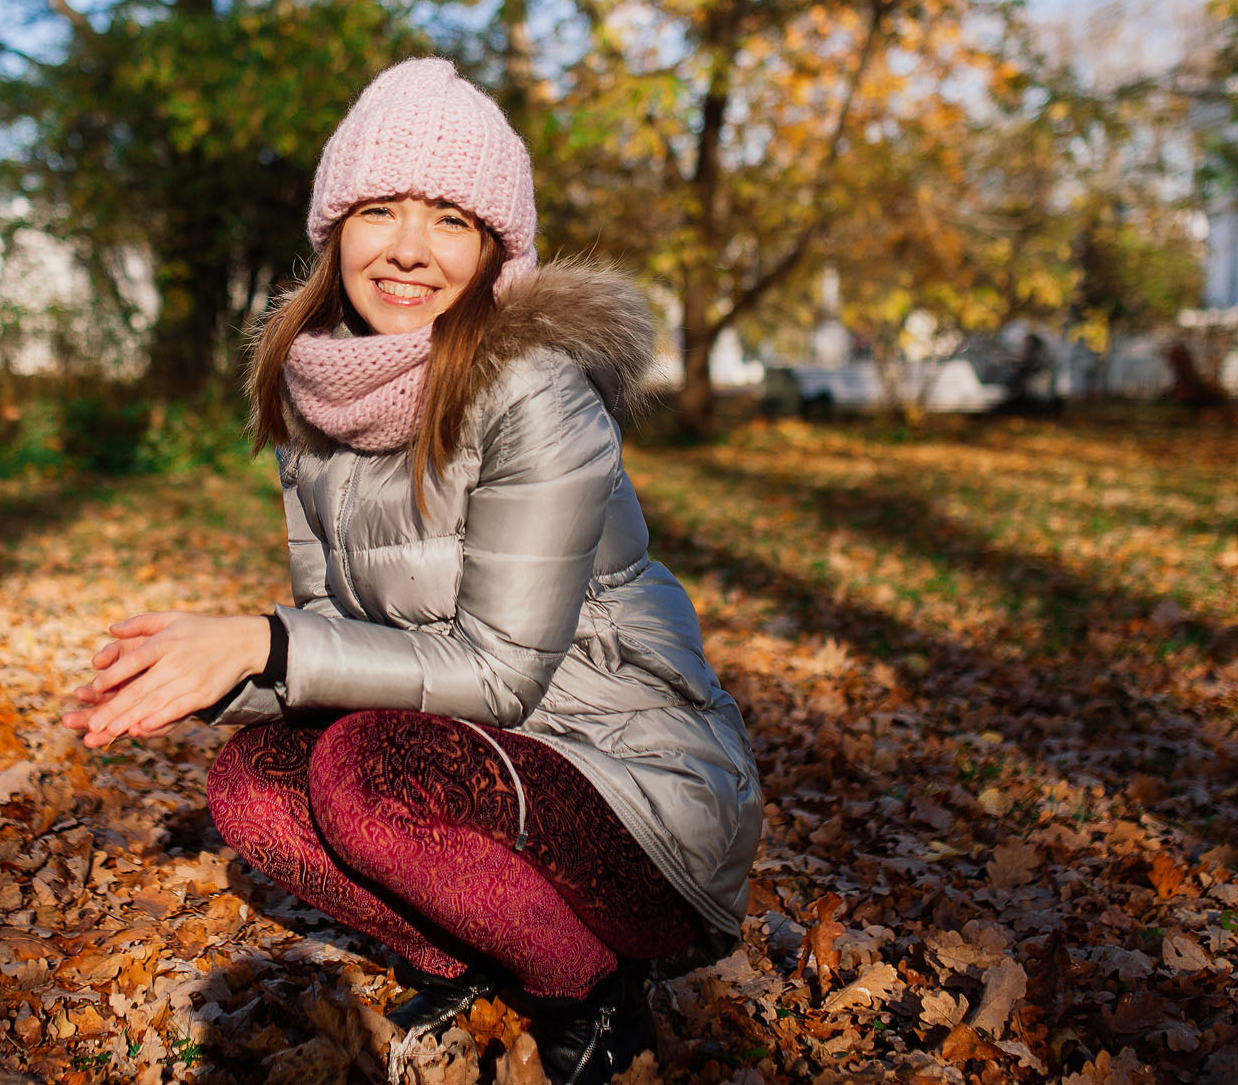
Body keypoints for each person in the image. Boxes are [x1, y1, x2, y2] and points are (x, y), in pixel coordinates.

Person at [62, 58, 762, 1085]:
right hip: (485, 765)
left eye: (449, 221)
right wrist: (208, 671)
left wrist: (264, 643)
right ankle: (486, 960)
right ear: (332, 231)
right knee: (253, 786)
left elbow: (500, 675)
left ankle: (586, 991)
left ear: (492, 251)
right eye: (377, 210)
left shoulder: (532, 392)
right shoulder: (317, 403)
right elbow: (348, 653)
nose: (405, 249)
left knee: (361, 774)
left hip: (640, 799)